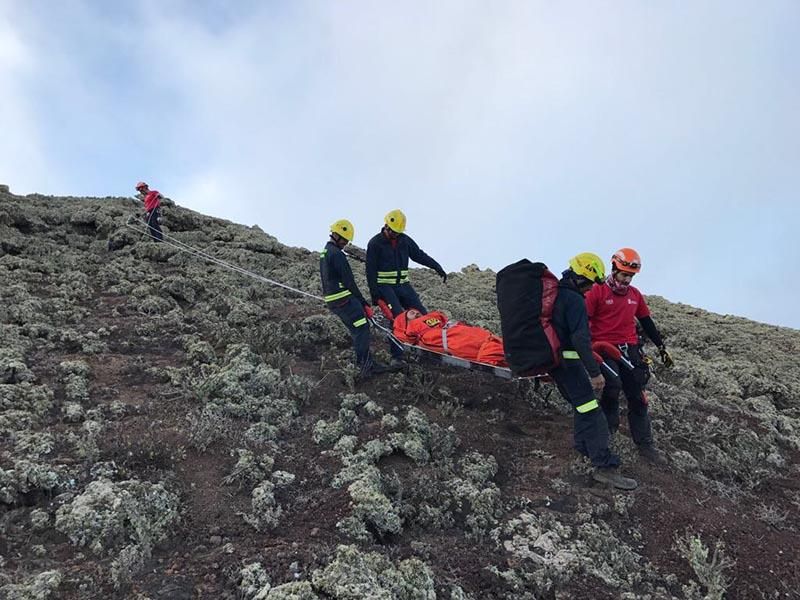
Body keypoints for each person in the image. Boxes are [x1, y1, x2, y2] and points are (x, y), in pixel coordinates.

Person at [549, 252, 637, 490]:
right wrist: (594, 372)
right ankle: (604, 467)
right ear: (582, 277)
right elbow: (579, 338)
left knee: (582, 405)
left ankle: (582, 448)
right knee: (593, 412)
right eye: (589, 283)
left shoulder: (557, 292)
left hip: (556, 363)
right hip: (569, 364)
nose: (590, 290)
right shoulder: (574, 299)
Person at [584, 248, 673, 464]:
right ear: (614, 269)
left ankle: (645, 444)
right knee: (612, 387)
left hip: (630, 348)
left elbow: (646, 321)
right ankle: (608, 433)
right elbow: (583, 320)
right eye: (623, 274)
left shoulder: (635, 296)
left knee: (638, 396)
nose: (626, 280)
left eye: (630, 276)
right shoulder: (597, 291)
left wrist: (661, 347)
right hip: (603, 347)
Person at [366, 209, 447, 365]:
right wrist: (375, 296)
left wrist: (436, 266)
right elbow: (370, 271)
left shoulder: (405, 240)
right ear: (386, 226)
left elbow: (419, 255)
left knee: (423, 315)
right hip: (386, 287)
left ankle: (427, 351)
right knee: (398, 319)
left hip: (404, 285)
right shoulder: (375, 243)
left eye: (398, 232)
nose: (396, 234)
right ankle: (397, 356)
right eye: (394, 231)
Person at [320, 219, 393, 381]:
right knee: (362, 329)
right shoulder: (337, 255)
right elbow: (349, 282)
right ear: (338, 236)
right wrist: (363, 302)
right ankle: (366, 366)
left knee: (356, 330)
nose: (346, 244)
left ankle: (364, 362)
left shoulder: (326, 251)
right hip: (344, 299)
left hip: (333, 301)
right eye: (345, 240)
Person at [392, 309, 506, 366]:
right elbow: (403, 335)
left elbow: (442, 318)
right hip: (460, 341)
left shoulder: (433, 319)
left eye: (417, 312)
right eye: (411, 314)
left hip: (464, 334)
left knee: (491, 342)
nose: (416, 313)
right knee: (488, 347)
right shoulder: (415, 329)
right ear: (405, 324)